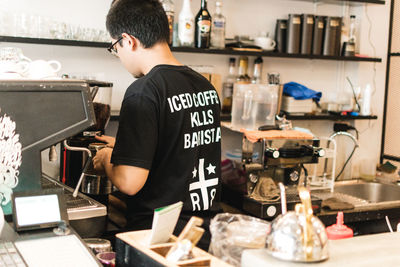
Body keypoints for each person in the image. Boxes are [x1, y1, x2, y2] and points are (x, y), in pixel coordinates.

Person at [93, 0, 222, 250]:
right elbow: (180, 149)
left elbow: (130, 182)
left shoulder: (143, 92)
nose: (118, 55)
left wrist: (107, 158)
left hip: (156, 239)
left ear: (128, 40)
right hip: (201, 236)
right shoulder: (205, 87)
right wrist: (126, 148)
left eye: (114, 47)